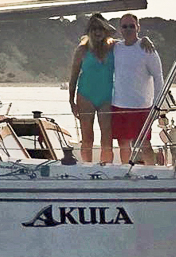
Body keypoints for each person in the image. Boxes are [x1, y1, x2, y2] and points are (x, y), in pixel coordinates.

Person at [110, 13, 164, 165]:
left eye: (132, 26)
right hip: (119, 105)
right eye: (124, 26)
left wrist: (157, 104)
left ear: (138, 27)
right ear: (120, 29)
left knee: (144, 144)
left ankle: (152, 172)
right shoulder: (116, 47)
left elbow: (158, 77)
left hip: (141, 106)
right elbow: (100, 39)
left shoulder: (147, 49)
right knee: (123, 143)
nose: (128, 29)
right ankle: (126, 171)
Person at [67, 14, 115, 163]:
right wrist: (71, 101)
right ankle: (87, 167)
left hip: (106, 97)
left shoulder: (114, 47)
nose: (97, 32)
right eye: (94, 29)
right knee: (87, 138)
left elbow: (130, 42)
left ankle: (105, 167)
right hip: (85, 96)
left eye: (101, 28)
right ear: (89, 31)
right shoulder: (81, 50)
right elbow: (73, 77)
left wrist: (145, 40)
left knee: (107, 138)